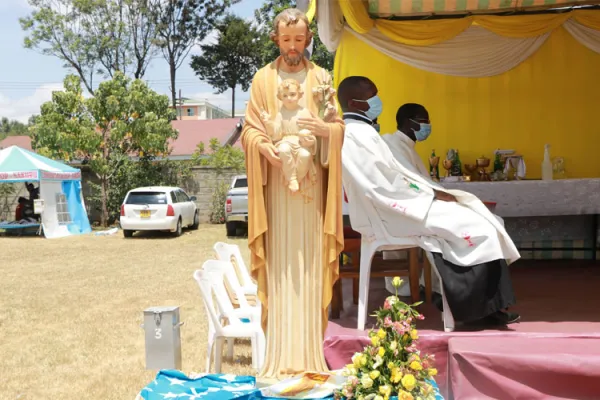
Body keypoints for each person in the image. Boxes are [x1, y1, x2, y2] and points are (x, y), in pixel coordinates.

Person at [338, 76, 520, 327]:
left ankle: (483, 308)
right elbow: (381, 186)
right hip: (392, 214)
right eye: (372, 95)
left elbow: (391, 179)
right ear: (355, 103)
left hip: (400, 207)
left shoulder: (363, 132)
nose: (377, 101)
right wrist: (430, 195)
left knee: (478, 219)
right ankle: (475, 312)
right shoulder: (356, 135)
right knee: (478, 226)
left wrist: (432, 195)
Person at [241, 8, 345, 379]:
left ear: (307, 39)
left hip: (312, 191)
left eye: (299, 40)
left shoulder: (321, 77)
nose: (293, 47)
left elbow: (337, 127)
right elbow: (250, 130)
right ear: (276, 39)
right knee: (283, 269)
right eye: (286, 40)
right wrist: (262, 147)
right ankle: (281, 358)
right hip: (278, 196)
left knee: (311, 269)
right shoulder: (262, 80)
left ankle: (309, 359)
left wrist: (324, 129)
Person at [261, 78, 317, 193]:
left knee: (305, 155)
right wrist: (268, 123)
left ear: (299, 95)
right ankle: (292, 179)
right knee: (283, 150)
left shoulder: (304, 112)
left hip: (300, 143)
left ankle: (296, 178)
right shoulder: (280, 114)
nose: (289, 98)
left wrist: (307, 136)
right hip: (285, 141)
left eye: (292, 94)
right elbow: (276, 133)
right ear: (280, 97)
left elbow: (312, 131)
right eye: (285, 95)